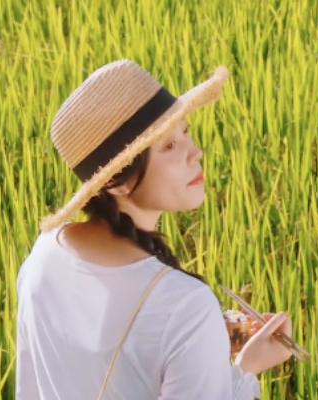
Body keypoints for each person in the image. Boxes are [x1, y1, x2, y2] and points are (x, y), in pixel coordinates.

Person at [15, 59, 293, 400]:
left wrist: (207, 338)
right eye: (169, 146)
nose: (196, 152)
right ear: (115, 182)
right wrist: (246, 367)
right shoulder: (186, 306)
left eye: (185, 131)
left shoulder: (45, 252)